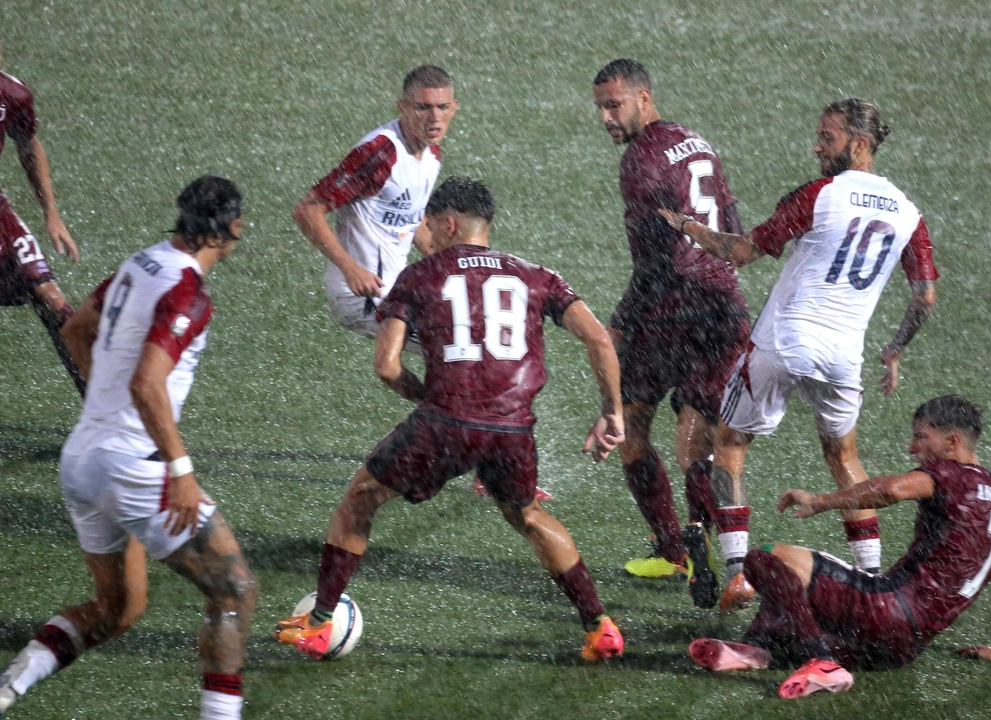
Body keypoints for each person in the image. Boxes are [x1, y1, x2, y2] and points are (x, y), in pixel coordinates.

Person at [274, 177, 628, 662]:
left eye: (427, 224)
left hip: (445, 423)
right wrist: (612, 411)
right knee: (527, 515)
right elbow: (600, 339)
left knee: (361, 497)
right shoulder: (536, 275)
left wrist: (423, 396)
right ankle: (599, 625)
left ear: (448, 222)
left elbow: (387, 365)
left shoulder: (420, 276)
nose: (424, 234)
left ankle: (318, 623)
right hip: (513, 430)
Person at [657, 97, 939, 610]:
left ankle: (738, 574)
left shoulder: (820, 195)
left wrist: (690, 229)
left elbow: (740, 252)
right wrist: (895, 349)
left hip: (784, 342)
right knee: (845, 459)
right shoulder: (907, 213)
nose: (816, 146)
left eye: (826, 138)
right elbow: (924, 296)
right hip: (843, 356)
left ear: (858, 144)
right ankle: (871, 582)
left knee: (731, 443)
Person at [0, 177, 257, 719]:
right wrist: (181, 471)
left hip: (82, 460)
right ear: (230, 229)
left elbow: (75, 330)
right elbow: (147, 382)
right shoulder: (188, 293)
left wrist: (104, 406)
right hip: (133, 469)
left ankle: (9, 686)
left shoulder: (140, 264)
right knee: (233, 591)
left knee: (118, 607)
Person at [687, 395, 991, 699]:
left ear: (953, 442)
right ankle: (763, 648)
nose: (912, 448)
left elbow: (892, 489)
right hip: (904, 647)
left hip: (885, 608)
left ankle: (819, 662)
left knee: (766, 557)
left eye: (921, 437)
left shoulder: (951, 475)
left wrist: (823, 500)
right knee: (793, 621)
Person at [591, 58, 751, 607]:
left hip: (668, 309)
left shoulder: (640, 159)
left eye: (615, 105)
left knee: (630, 423)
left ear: (643, 97)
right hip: (722, 306)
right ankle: (705, 542)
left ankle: (675, 548)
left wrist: (620, 319)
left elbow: (655, 260)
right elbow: (729, 222)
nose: (607, 118)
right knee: (698, 444)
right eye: (601, 108)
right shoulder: (695, 141)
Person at [293, 64, 456, 346]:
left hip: (396, 291)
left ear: (454, 108)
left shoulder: (432, 153)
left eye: (443, 107)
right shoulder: (379, 154)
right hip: (363, 296)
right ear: (403, 107)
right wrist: (351, 269)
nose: (435, 118)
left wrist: (448, 263)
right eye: (423, 107)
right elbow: (307, 210)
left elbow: (409, 216)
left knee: (471, 329)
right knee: (458, 344)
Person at [0, 39, 86, 395]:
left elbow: (29, 144)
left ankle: (106, 416)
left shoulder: (12, 94)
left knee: (51, 298)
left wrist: (51, 213)